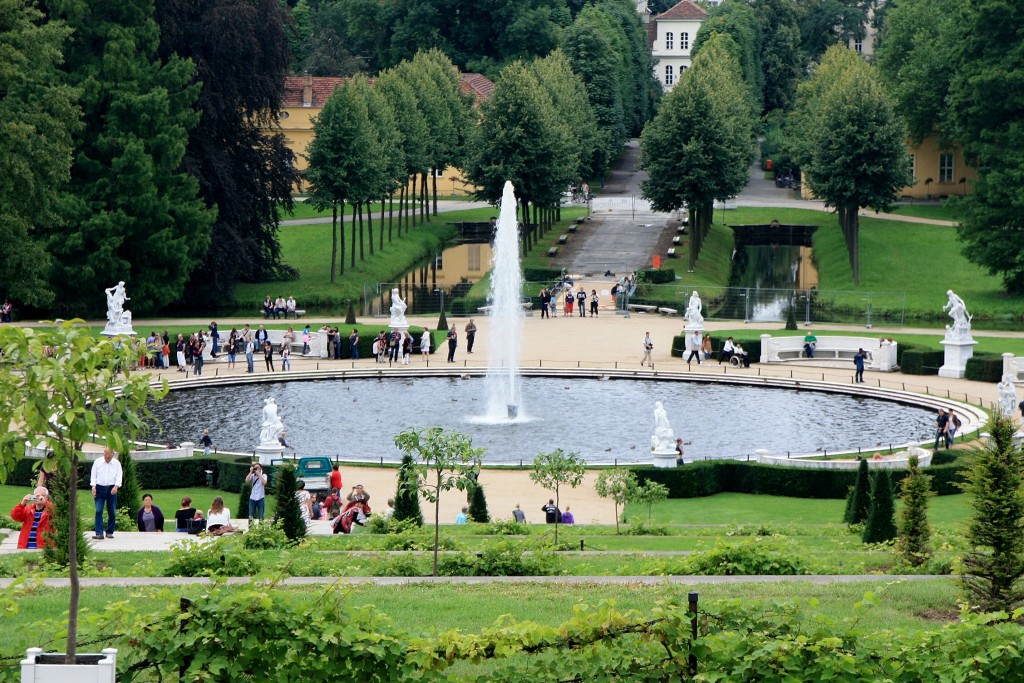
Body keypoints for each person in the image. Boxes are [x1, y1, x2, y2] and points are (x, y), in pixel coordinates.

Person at [90, 447, 122, 540]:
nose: (106, 456)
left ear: (113, 454)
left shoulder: (116, 463)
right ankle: (99, 533)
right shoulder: (97, 462)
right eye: (105, 453)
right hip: (100, 488)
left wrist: (116, 486)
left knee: (111, 511)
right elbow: (93, 475)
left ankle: (109, 531)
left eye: (108, 454)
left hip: (111, 488)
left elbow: (119, 476)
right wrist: (93, 487)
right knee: (98, 510)